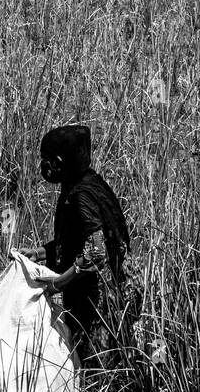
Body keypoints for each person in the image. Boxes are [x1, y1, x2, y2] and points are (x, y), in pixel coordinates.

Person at [23, 123, 132, 371]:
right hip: (98, 292)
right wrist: (40, 253)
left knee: (94, 366)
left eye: (48, 160)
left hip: (97, 300)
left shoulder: (81, 195)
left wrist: (58, 283)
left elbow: (95, 253)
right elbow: (75, 241)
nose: (45, 166)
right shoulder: (88, 183)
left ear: (60, 163)